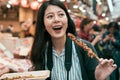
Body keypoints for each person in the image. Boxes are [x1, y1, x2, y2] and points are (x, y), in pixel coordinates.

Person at [30, 0, 117, 80]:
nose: (56, 19)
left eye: (61, 14)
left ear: (67, 20)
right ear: (43, 24)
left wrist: (97, 78)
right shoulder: (40, 51)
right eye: (50, 16)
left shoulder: (84, 49)